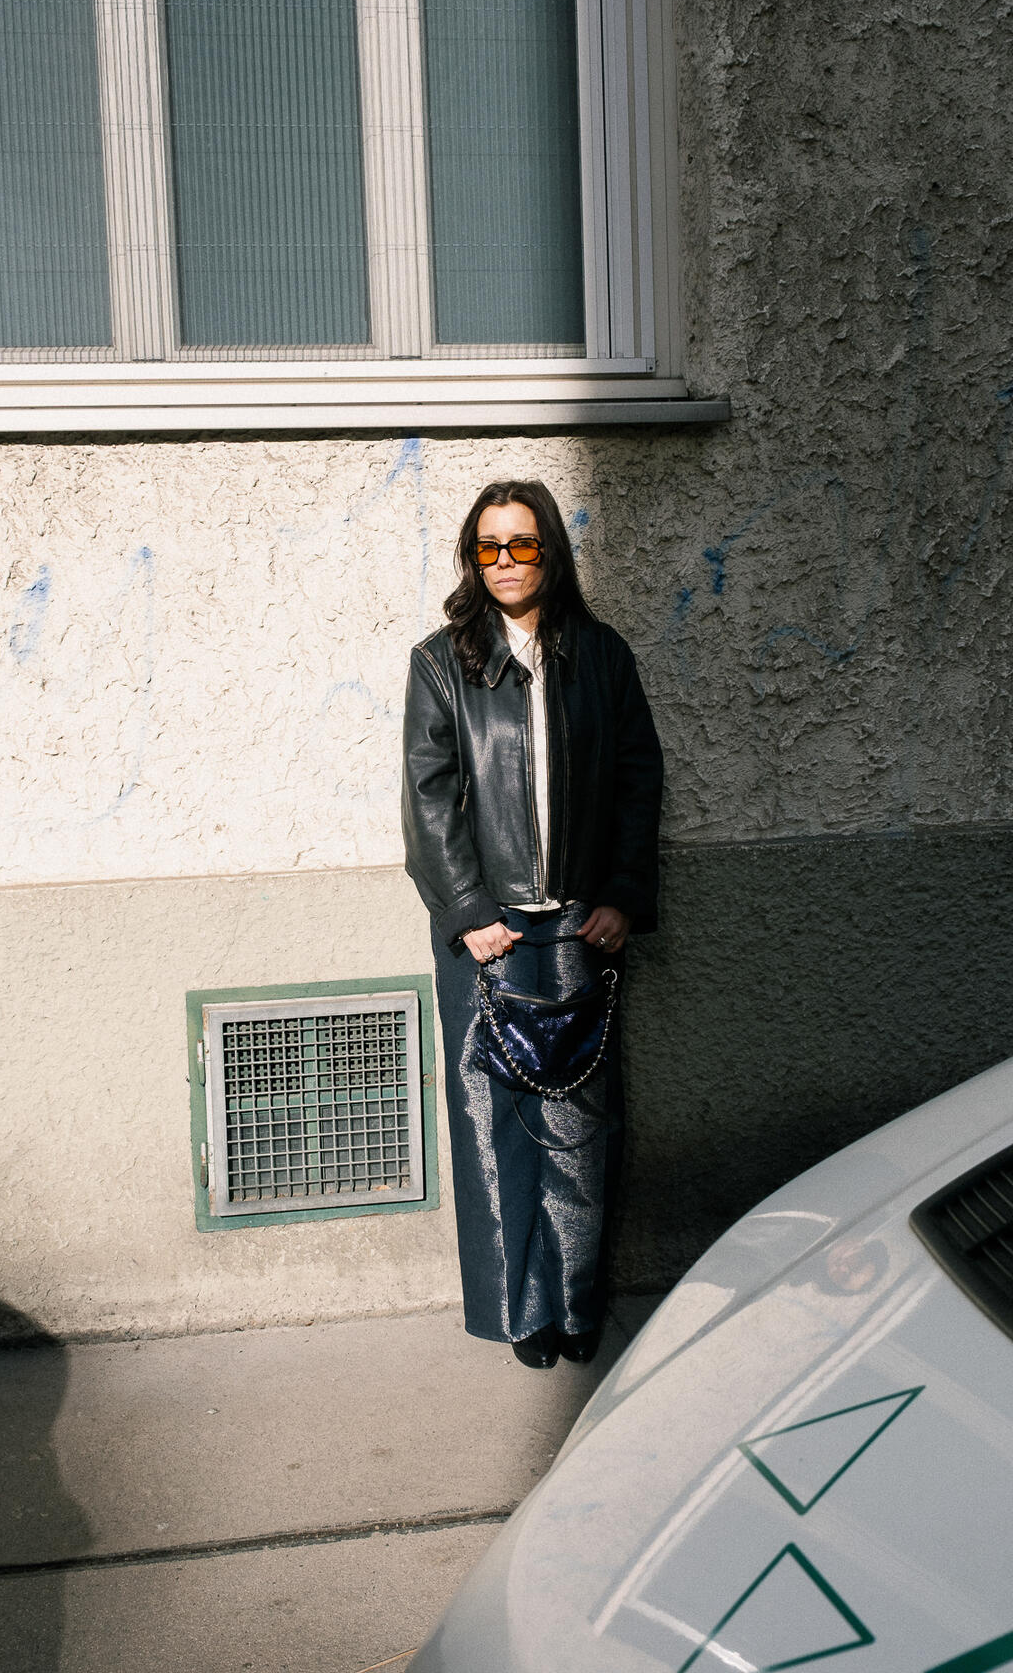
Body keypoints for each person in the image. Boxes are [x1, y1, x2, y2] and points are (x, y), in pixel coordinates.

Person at [402, 479, 663, 1369]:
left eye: (521, 544)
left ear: (550, 549)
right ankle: (524, 1318)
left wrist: (622, 898)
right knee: (493, 1129)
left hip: (579, 929)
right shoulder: (443, 662)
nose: (505, 562)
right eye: (488, 547)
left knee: (582, 1130)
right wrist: (468, 910)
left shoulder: (603, 656)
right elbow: (428, 799)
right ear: (472, 560)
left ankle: (579, 1306)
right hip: (492, 936)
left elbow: (638, 781)